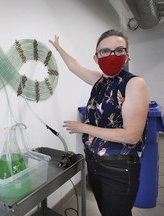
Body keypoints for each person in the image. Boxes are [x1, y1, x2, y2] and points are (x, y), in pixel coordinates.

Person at [49, 29, 149, 216]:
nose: (112, 55)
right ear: (96, 57)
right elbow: (75, 67)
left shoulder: (134, 84)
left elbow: (132, 136)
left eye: (118, 50)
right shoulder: (100, 81)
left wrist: (84, 128)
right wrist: (58, 48)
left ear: (126, 55)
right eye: (105, 51)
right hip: (94, 162)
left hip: (118, 167)